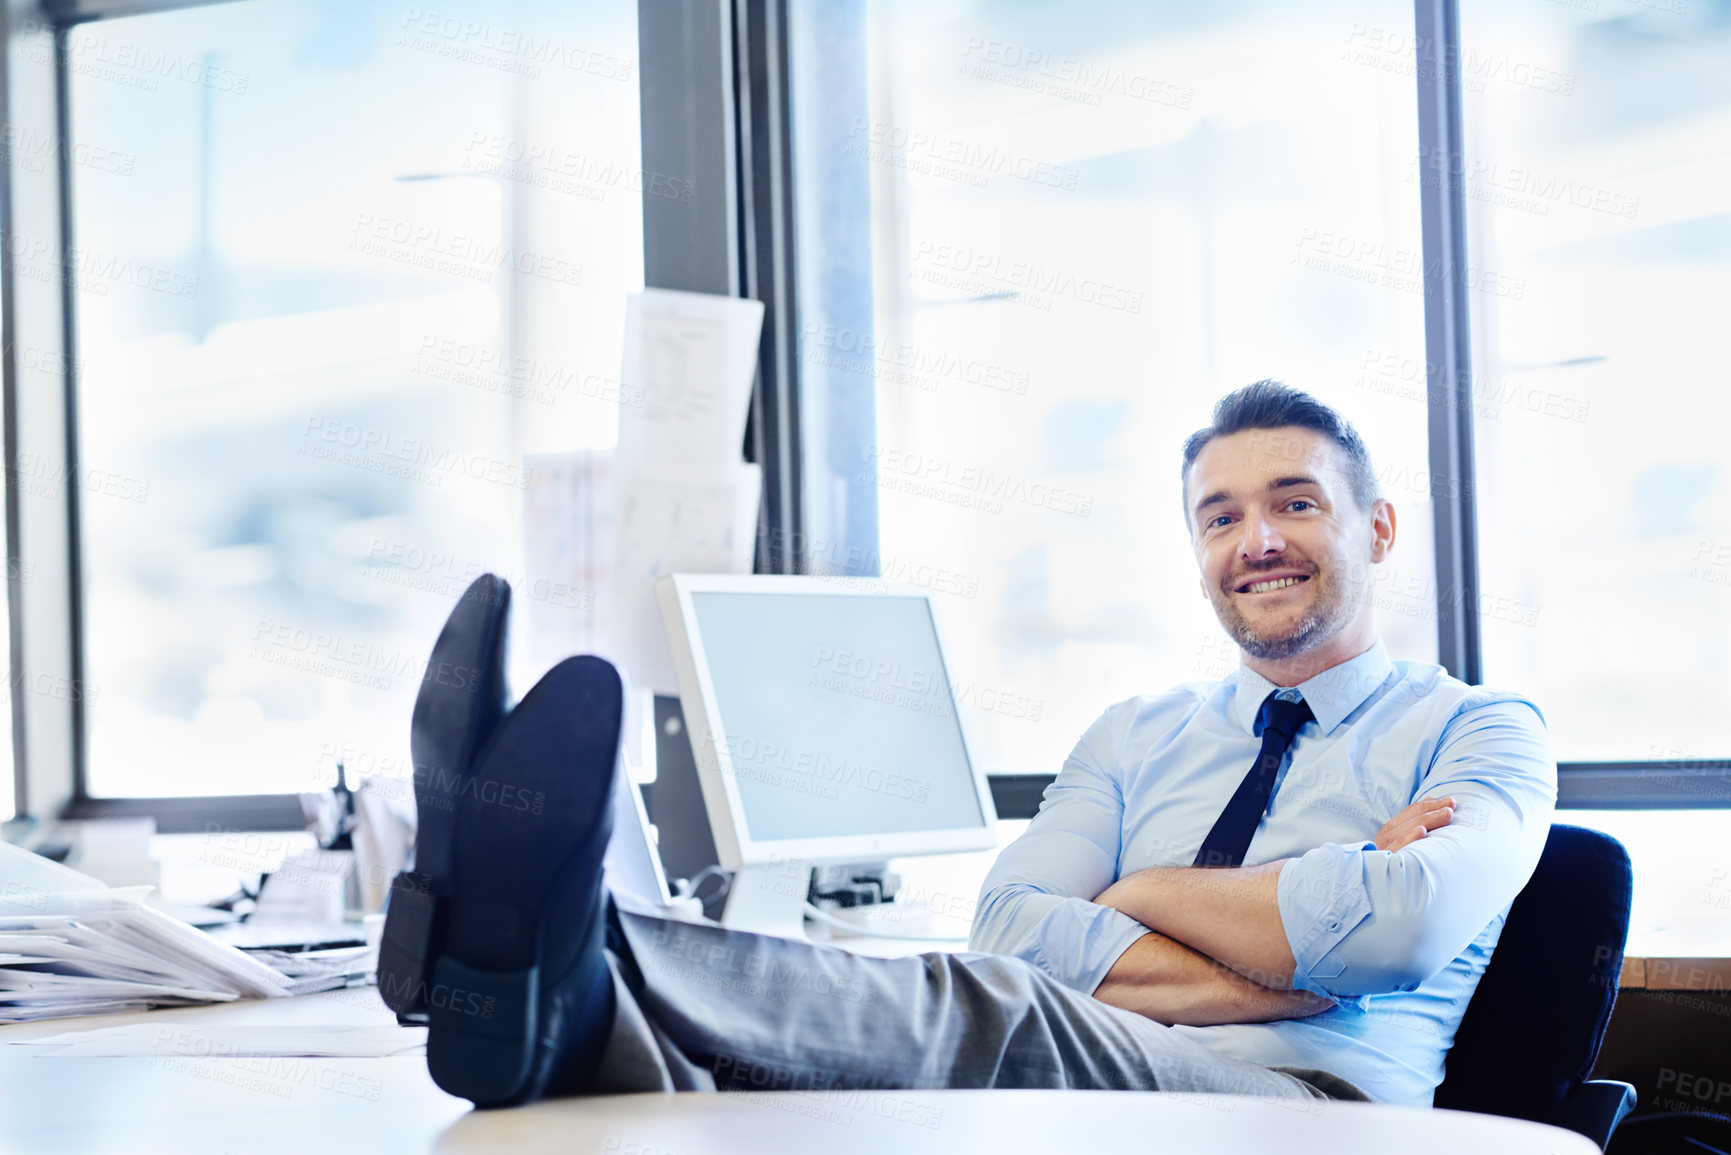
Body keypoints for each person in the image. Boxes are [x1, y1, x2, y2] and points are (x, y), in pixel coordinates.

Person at [380, 380, 1555, 1111]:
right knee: (759, 1116)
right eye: (1221, 515)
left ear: (1378, 526)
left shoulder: (1483, 732)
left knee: (993, 1008)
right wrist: (1290, 951)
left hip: (1310, 1108)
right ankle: (551, 1015)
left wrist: (1140, 893)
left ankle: (551, 958)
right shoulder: (1135, 732)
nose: (1258, 540)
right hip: (1097, 1097)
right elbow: (1014, 920)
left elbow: (1400, 928)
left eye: (1296, 503)